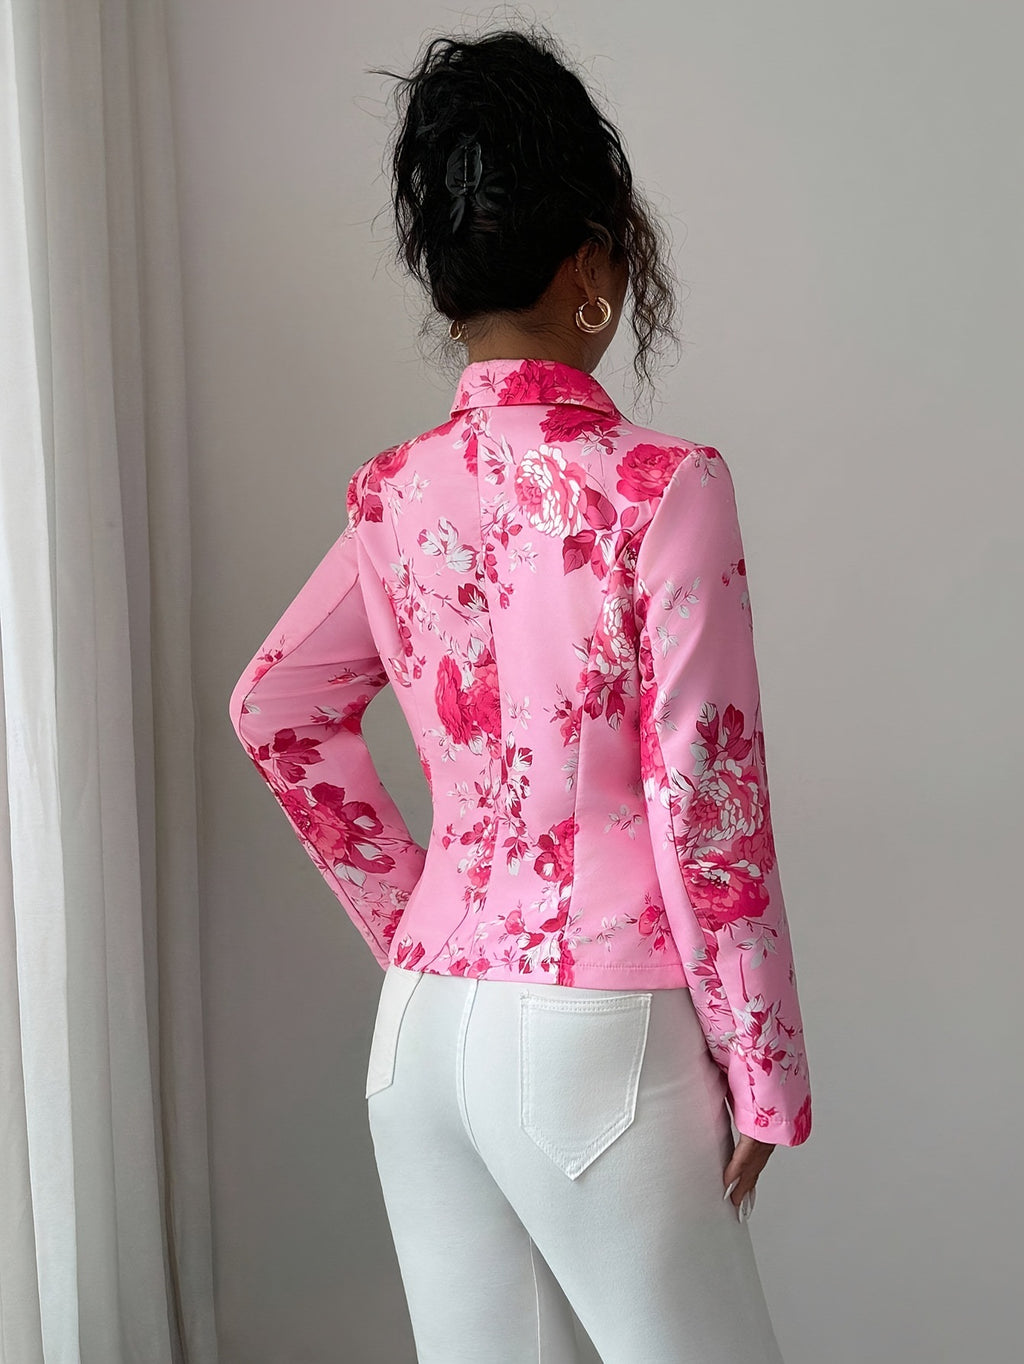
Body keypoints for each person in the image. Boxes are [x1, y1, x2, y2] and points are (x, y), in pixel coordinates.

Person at [228, 22, 812, 1363]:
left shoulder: (393, 495)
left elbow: (275, 709)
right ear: (592, 268)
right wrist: (765, 1069)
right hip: (596, 1029)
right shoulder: (663, 488)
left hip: (423, 1031)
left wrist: (419, 921)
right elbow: (705, 794)